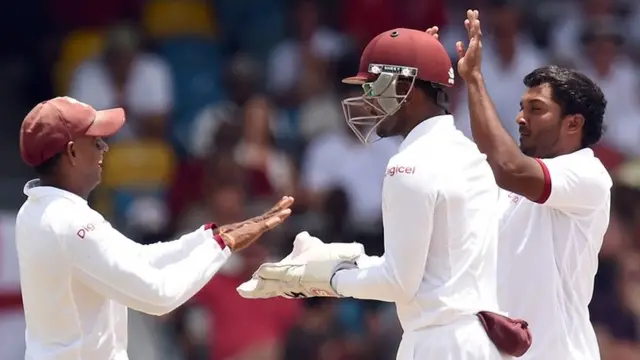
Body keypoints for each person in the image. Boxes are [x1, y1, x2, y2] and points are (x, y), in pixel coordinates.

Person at [241, 28, 530, 359]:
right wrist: (341, 258)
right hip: (482, 341)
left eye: (372, 85)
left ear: (406, 88)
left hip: (437, 344)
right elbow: (431, 268)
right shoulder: (468, 153)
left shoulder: (408, 164)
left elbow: (398, 282)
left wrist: (321, 279)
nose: (366, 98)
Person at [16, 96, 293, 360]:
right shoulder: (72, 223)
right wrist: (222, 246)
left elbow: (138, 257)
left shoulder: (34, 210)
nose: (105, 147)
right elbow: (159, 295)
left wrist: (210, 238)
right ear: (73, 152)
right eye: (95, 140)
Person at [456, 10, 612, 360]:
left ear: (573, 123)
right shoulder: (506, 187)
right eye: (522, 106)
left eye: (536, 108)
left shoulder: (589, 175)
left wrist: (474, 79)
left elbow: (508, 166)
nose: (520, 118)